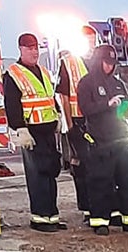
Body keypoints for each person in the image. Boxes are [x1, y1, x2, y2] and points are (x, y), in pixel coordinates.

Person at [77, 44, 128, 235]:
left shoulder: (118, 83)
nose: (110, 67)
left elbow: (122, 112)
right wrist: (107, 104)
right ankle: (100, 222)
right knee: (100, 183)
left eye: (113, 63)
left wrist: (127, 111)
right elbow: (86, 109)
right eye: (107, 62)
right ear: (99, 61)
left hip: (122, 140)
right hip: (100, 142)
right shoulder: (86, 83)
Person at [3, 33, 64, 231]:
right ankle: (40, 218)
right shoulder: (13, 74)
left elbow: (50, 97)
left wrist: (58, 116)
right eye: (29, 48)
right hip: (31, 132)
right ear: (21, 49)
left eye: (36, 47)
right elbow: (11, 105)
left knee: (50, 171)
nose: (34, 52)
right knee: (37, 175)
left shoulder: (44, 72)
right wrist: (20, 128)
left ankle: (51, 216)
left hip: (48, 130)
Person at [55, 48, 92, 222]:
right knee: (81, 164)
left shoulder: (102, 60)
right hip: (78, 122)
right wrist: (69, 124)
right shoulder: (69, 63)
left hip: (98, 122)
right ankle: (87, 208)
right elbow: (63, 96)